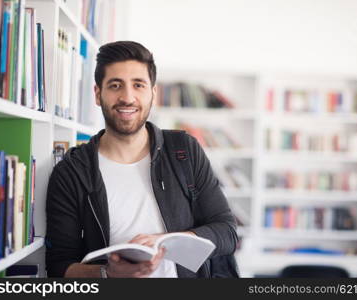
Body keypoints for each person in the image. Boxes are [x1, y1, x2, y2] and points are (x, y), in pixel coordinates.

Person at [45, 41, 238, 278]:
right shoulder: (72, 171)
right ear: (98, 94)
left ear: (153, 93)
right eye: (115, 85)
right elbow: (59, 266)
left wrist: (166, 241)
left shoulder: (184, 151)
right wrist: (107, 274)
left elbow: (227, 232)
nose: (127, 97)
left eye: (138, 85)